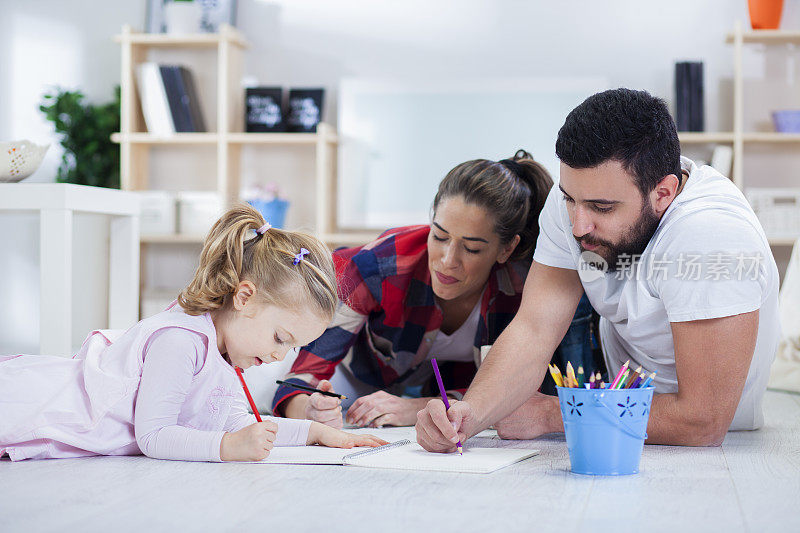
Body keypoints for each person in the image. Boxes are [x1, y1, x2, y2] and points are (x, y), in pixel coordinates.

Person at [415, 88, 780, 451]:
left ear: (664, 193)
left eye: (602, 207)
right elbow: (534, 327)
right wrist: (469, 414)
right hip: (608, 414)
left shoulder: (711, 234)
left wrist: (554, 414)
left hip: (713, 447)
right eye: (570, 199)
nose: (578, 225)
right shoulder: (573, 204)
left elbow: (702, 421)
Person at [0, 205, 386, 462]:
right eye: (280, 339)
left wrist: (319, 433)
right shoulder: (181, 340)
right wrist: (227, 448)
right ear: (244, 298)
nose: (280, 357)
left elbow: (242, 424)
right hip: (35, 404)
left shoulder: (227, 354)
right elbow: (155, 436)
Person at [273, 150, 597, 429]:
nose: (447, 261)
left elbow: (505, 393)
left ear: (506, 250)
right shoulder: (381, 263)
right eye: (439, 236)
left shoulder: (521, 289)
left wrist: (417, 408)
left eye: (471, 249)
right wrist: (309, 409)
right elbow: (300, 379)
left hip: (429, 389)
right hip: (354, 372)